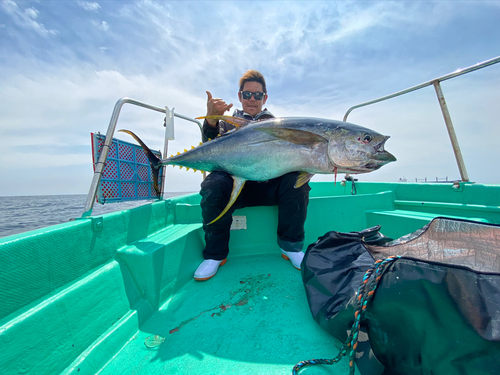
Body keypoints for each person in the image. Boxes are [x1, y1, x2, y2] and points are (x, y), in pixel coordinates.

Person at [194, 70, 311, 281]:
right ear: (240, 96)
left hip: (270, 185)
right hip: (238, 188)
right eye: (247, 94)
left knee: (297, 182)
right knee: (212, 184)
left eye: (257, 95)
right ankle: (215, 255)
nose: (252, 99)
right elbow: (209, 146)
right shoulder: (227, 123)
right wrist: (211, 121)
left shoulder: (278, 124)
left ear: (264, 98)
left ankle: (291, 247)